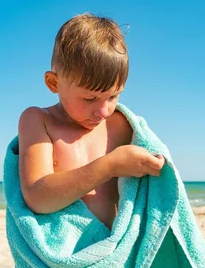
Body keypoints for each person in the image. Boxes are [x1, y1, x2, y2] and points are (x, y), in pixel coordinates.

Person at [17, 12, 165, 232]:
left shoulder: (122, 125)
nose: (104, 111)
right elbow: (37, 198)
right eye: (89, 98)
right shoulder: (39, 121)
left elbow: (154, 191)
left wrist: (158, 166)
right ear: (53, 82)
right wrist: (109, 166)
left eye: (113, 96)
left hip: (114, 255)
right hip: (66, 257)